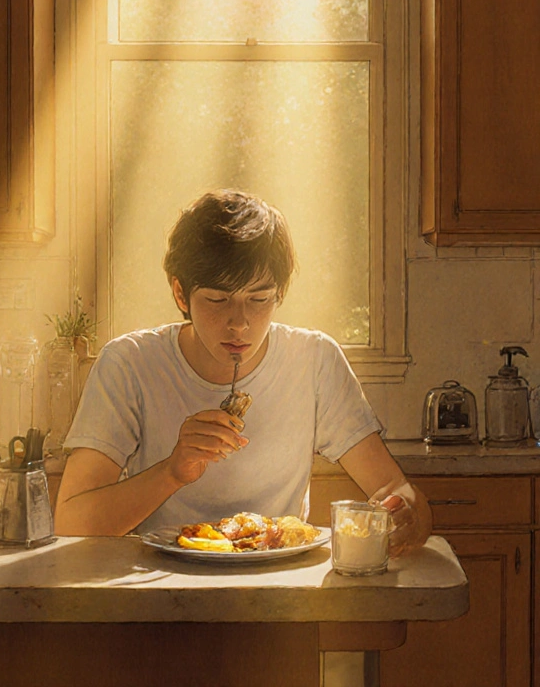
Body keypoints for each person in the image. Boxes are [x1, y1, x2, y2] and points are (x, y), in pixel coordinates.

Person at [54, 189, 432, 555]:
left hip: (280, 591)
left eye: (259, 299)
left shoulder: (315, 360)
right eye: (218, 300)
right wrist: (172, 472)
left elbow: (394, 487)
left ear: (279, 294)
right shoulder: (129, 363)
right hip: (161, 595)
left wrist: (408, 516)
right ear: (180, 294)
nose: (240, 324)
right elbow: (70, 523)